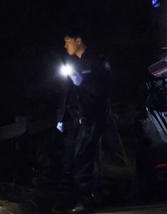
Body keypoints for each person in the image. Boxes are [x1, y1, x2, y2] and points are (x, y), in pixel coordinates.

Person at [56, 30, 112, 212]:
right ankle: (81, 198)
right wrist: (62, 117)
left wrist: (82, 83)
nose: (66, 46)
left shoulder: (95, 61)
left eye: (68, 41)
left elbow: (101, 91)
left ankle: (86, 199)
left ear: (78, 40)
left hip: (92, 118)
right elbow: (69, 93)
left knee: (82, 157)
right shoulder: (74, 62)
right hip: (77, 119)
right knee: (74, 158)